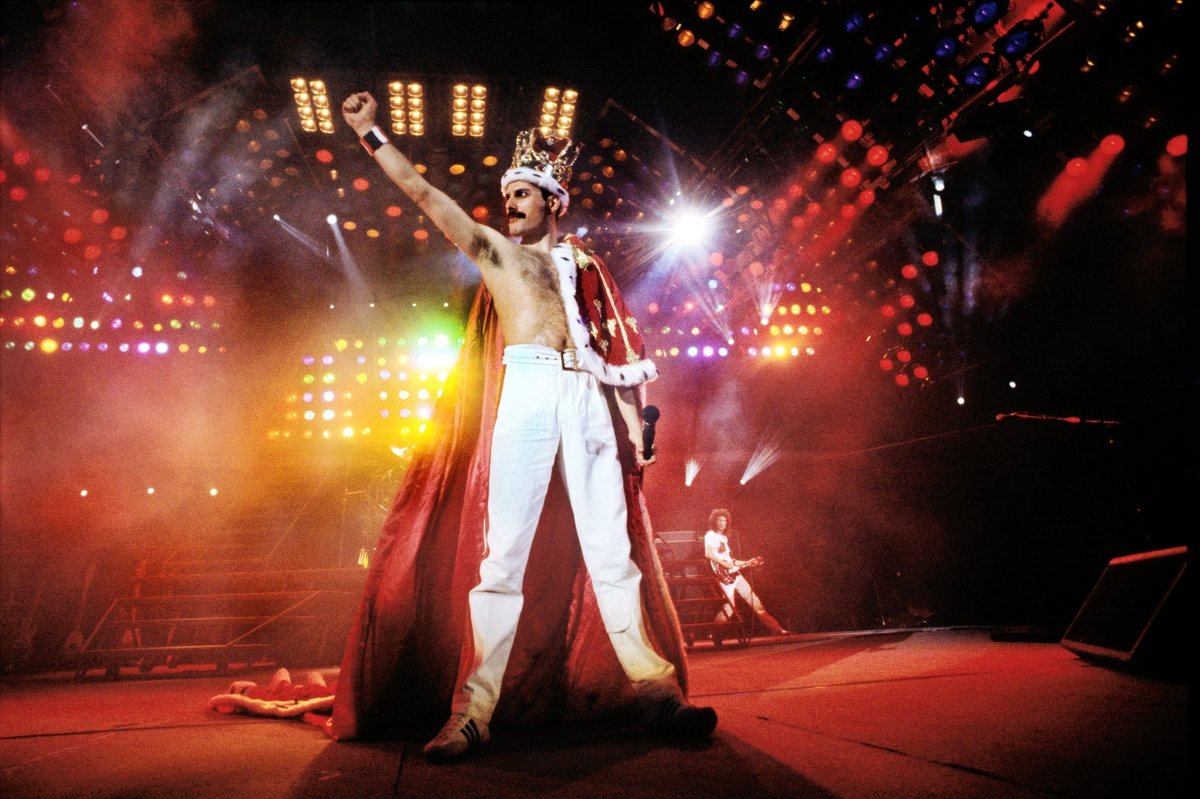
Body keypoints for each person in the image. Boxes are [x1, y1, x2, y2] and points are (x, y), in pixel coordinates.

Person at [330, 92, 716, 761]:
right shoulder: (495, 253)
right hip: (530, 388)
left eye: (523, 193)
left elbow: (616, 349)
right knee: (501, 557)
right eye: (506, 192)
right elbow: (424, 194)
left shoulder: (588, 267)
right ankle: (472, 710)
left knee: (611, 552)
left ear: (553, 200)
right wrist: (370, 133)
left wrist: (637, 424)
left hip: (588, 395)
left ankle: (656, 693)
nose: (509, 201)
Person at [703, 508, 787, 636]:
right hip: (724, 576)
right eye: (719, 520)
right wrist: (723, 563)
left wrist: (748, 562)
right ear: (714, 521)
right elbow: (708, 554)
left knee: (755, 602)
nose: (721, 523)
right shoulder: (710, 535)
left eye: (724, 520)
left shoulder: (724, 538)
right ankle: (713, 634)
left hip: (734, 573)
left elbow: (732, 561)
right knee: (729, 608)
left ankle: (777, 629)